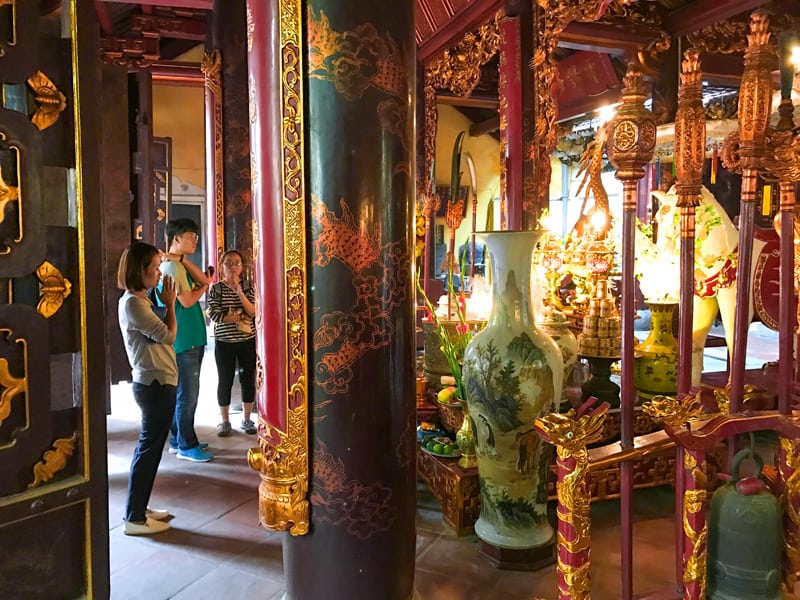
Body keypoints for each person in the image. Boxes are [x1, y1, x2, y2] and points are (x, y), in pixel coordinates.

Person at [117, 241, 178, 536]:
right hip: (154, 384)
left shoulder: (140, 300)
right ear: (137, 270)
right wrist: (172, 304)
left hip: (158, 381)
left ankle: (140, 508)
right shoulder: (133, 303)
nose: (158, 273)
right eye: (153, 268)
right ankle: (135, 518)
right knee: (149, 449)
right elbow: (167, 336)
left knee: (152, 449)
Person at [160, 219, 213, 462]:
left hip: (188, 336)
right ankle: (186, 445)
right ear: (176, 239)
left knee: (183, 393)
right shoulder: (172, 269)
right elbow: (188, 301)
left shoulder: (177, 266)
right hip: (184, 339)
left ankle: (178, 438)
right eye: (191, 236)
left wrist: (181, 260)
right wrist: (204, 287)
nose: (195, 240)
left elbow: (202, 277)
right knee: (188, 395)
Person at [207, 250, 257, 436]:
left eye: (237, 263)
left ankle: (247, 419)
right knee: (225, 379)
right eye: (228, 263)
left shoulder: (249, 286)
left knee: (247, 379)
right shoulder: (217, 289)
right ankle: (225, 421)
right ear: (222, 267)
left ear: (242, 267)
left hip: (246, 340)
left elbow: (252, 312)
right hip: (224, 341)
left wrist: (239, 292)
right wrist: (239, 315)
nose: (233, 267)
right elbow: (215, 315)